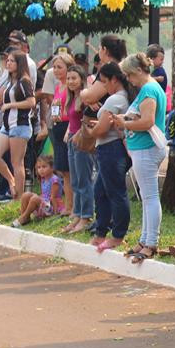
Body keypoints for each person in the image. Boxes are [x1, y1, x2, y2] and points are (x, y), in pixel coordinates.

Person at [112, 53, 168, 264]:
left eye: (128, 74)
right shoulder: (149, 89)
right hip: (143, 149)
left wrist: (124, 124)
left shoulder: (149, 90)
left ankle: (151, 241)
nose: (128, 79)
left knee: (150, 197)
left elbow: (147, 122)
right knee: (147, 197)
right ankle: (146, 239)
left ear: (136, 71)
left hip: (146, 148)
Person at [85, 62, 133, 252]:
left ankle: (118, 234)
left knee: (115, 192)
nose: (104, 86)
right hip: (112, 148)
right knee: (102, 191)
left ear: (114, 80)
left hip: (111, 149)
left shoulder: (115, 100)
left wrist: (91, 130)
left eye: (105, 82)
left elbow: (101, 129)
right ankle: (102, 231)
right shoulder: (122, 99)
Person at [0, 50, 35, 200]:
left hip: (20, 125)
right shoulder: (10, 82)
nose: (8, 63)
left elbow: (31, 102)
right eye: (7, 61)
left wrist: (11, 105)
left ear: (19, 64)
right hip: (7, 125)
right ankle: (11, 180)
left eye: (12, 61)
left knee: (17, 162)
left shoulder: (24, 81)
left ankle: (19, 198)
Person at [61, 65, 95, 234]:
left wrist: (78, 133)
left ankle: (86, 216)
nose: (70, 81)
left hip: (82, 142)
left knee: (84, 180)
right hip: (72, 141)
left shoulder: (85, 97)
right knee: (75, 181)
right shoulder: (70, 97)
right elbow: (72, 119)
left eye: (74, 78)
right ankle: (77, 214)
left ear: (82, 79)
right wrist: (69, 131)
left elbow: (90, 118)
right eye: (68, 78)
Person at [12, 155, 63, 226]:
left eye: (44, 167)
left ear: (52, 168)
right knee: (26, 195)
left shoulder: (55, 180)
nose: (41, 170)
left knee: (35, 198)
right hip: (44, 205)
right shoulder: (43, 179)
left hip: (51, 208)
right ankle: (25, 216)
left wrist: (55, 213)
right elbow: (44, 194)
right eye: (39, 167)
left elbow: (53, 198)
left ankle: (23, 217)